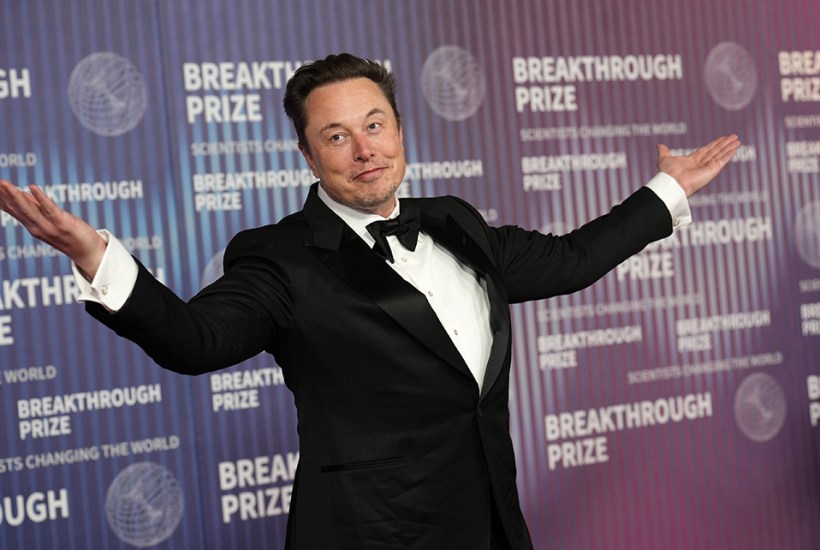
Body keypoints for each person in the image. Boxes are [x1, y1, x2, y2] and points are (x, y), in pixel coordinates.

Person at [0, 53, 739, 550]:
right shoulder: (280, 257)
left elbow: (571, 261)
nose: (365, 150)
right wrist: (96, 256)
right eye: (337, 136)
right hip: (371, 535)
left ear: (399, 129)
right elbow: (195, 340)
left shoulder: (457, 222)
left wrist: (666, 190)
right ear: (307, 155)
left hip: (492, 525)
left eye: (375, 125)